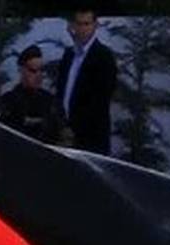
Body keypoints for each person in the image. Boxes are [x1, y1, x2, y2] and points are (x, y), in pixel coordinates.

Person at [55, 6, 118, 155]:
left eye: (86, 24)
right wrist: (60, 125)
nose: (82, 29)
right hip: (64, 136)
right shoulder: (69, 55)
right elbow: (61, 93)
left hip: (91, 138)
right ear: (73, 25)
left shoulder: (104, 57)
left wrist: (74, 128)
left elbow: (100, 101)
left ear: (95, 25)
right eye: (79, 24)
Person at [0, 46, 66, 145]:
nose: (38, 75)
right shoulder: (8, 102)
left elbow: (62, 134)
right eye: (33, 71)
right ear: (21, 70)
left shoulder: (51, 102)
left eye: (41, 70)